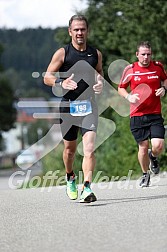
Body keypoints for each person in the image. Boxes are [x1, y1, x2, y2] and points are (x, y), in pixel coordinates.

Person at [44, 15, 103, 202]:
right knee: (69, 150)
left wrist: (99, 82)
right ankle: (70, 176)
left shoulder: (95, 54)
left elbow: (99, 71)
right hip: (68, 107)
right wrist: (61, 82)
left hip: (89, 106)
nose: (79, 33)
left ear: (87, 31)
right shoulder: (63, 53)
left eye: (82, 29)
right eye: (76, 29)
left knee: (89, 149)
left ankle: (86, 187)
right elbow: (47, 77)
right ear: (70, 32)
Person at [118, 41, 167, 187]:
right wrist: (129, 97)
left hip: (155, 113)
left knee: (158, 145)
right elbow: (121, 88)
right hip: (137, 115)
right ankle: (145, 174)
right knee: (143, 147)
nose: (146, 57)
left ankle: (153, 156)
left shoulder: (157, 67)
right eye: (143, 54)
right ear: (137, 55)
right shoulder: (130, 69)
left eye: (148, 54)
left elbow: (165, 79)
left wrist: (164, 89)